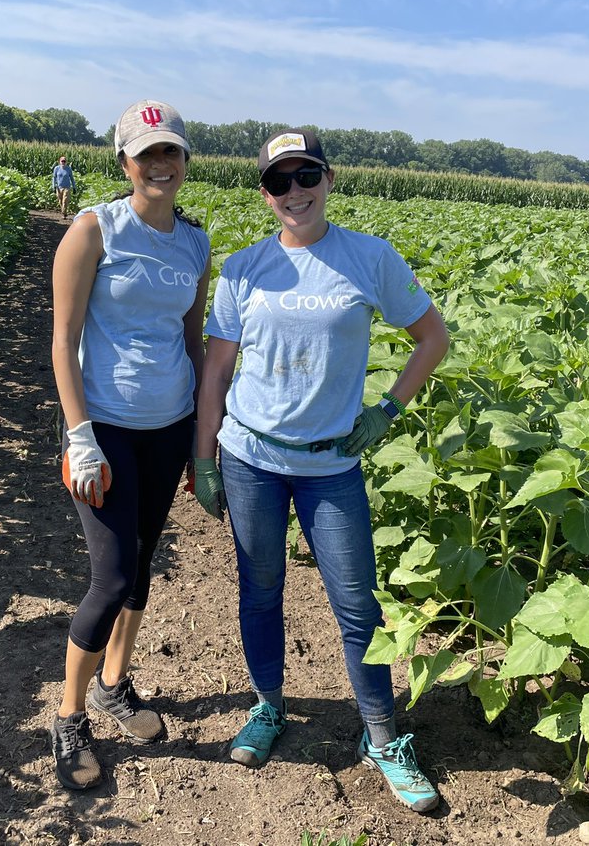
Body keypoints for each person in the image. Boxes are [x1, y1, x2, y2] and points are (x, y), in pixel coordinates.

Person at [192, 129, 450, 813]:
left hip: (332, 464)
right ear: (265, 193)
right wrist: (203, 453)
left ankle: (382, 734)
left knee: (356, 601)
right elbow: (218, 368)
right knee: (260, 586)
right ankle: (269, 708)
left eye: (306, 176)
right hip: (251, 458)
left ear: (329, 180)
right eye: (279, 182)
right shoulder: (244, 268)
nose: (295, 192)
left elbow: (434, 337)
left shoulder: (369, 258)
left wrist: (389, 410)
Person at [48, 100, 211, 791]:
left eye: (170, 152)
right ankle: (69, 715)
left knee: (142, 565)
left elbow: (193, 340)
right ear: (124, 163)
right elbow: (61, 340)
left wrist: (206, 436)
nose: (159, 165)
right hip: (105, 427)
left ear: (183, 162)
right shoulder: (93, 231)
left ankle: (116, 684)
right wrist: (80, 437)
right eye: (146, 154)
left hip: (169, 424)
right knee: (110, 576)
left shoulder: (196, 242)